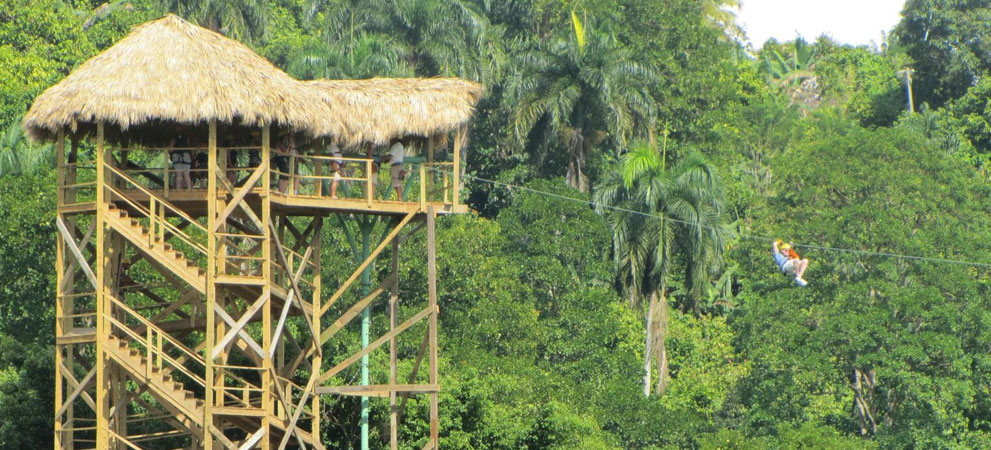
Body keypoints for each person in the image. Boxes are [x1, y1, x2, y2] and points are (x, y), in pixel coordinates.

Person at [169, 125, 192, 190]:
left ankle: (179, 189)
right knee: (183, 174)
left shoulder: (174, 138)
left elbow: (171, 149)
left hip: (181, 156)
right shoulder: (183, 138)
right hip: (183, 156)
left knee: (181, 174)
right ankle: (187, 189)